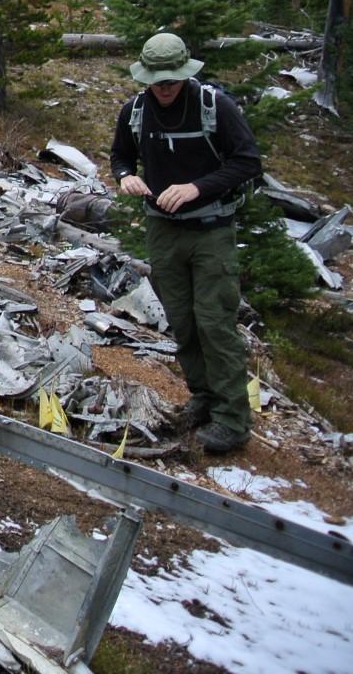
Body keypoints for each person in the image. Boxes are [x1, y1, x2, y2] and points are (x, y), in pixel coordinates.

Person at [109, 33, 262, 455]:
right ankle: (203, 396)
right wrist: (125, 176)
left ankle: (233, 418)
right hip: (162, 230)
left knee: (215, 320)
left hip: (211, 230)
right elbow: (120, 155)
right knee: (181, 318)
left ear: (185, 73)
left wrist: (197, 188)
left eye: (171, 80)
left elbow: (248, 162)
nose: (164, 87)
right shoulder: (135, 111)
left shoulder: (216, 106)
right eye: (157, 80)